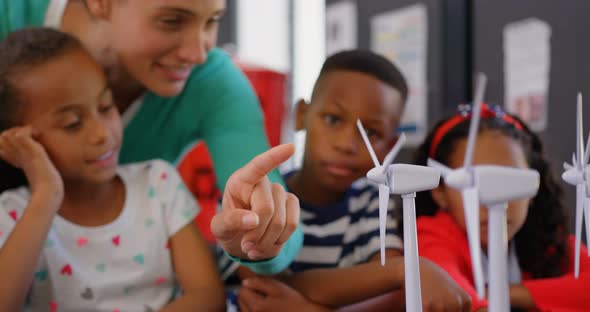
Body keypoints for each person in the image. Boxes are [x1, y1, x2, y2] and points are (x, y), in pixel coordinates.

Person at [0, 0, 302, 272]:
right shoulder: (10, 15)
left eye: (211, 21)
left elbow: (276, 218)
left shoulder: (212, 81)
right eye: (171, 21)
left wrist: (259, 234)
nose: (198, 53)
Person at [234, 50, 471, 312]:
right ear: (302, 115)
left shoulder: (370, 202)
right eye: (333, 119)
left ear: (389, 147)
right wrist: (402, 269)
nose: (348, 145)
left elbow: (397, 295)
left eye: (371, 132)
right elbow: (260, 286)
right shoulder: (267, 199)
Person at [413, 103, 590, 311]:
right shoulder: (431, 235)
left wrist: (500, 292)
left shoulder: (546, 238)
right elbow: (450, 294)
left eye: (511, 180)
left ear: (535, 186)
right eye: (473, 181)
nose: (493, 199)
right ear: (440, 192)